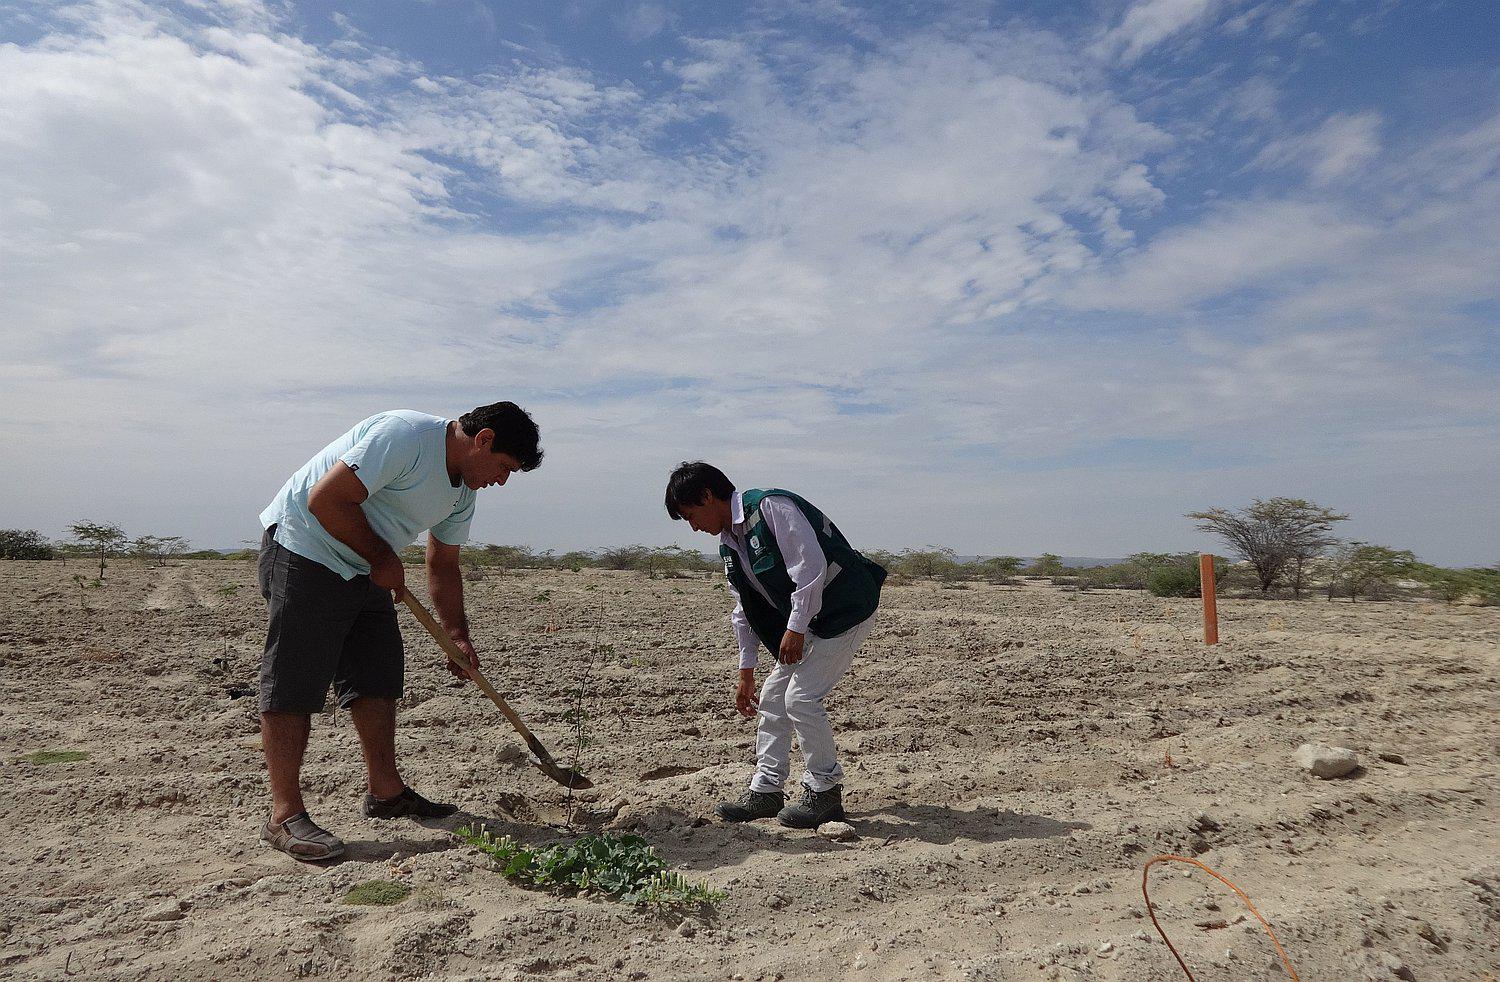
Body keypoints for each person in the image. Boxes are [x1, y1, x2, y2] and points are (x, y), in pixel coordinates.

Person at [255, 403, 542, 861]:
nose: (502, 480)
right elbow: (325, 500)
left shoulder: (463, 491)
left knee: (377, 675)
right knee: (295, 680)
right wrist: (382, 559)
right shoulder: (405, 436)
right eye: (504, 468)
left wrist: (456, 635)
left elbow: (443, 563)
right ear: (483, 439)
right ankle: (284, 814)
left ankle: (386, 792)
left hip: (368, 565)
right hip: (305, 547)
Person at [664, 462, 885, 829]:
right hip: (810, 620)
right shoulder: (730, 544)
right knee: (771, 698)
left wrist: (795, 629)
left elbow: (810, 567)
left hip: (846, 611)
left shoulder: (771, 508)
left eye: (691, 515)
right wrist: (746, 671)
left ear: (707, 496)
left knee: (801, 699)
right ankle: (766, 791)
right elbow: (743, 610)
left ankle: (825, 792)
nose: (694, 527)